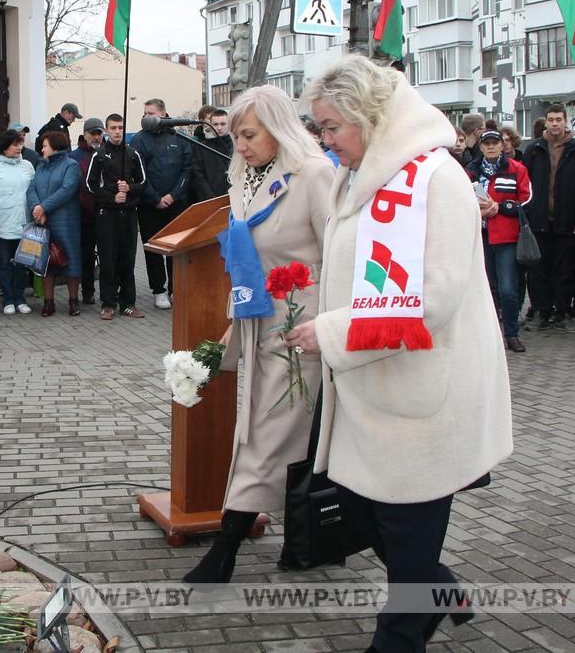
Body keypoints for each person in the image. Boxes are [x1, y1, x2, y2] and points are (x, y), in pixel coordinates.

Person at [284, 56, 513, 651]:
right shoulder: (357, 173)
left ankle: (400, 636)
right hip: (369, 386)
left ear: (370, 116)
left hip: (420, 392)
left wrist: (331, 333)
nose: (324, 140)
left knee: (407, 537)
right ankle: (442, 593)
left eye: (332, 127)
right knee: (366, 518)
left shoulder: (435, 179)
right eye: (320, 127)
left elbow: (433, 296)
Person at [181, 85, 335, 584]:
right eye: (234, 137)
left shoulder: (314, 173)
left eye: (248, 135)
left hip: (301, 328)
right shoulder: (242, 179)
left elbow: (340, 257)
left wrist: (332, 325)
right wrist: (229, 334)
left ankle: (225, 549)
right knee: (283, 437)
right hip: (257, 320)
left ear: (279, 127)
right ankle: (303, 543)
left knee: (267, 436)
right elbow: (246, 263)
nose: (240, 146)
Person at [522, 104, 575, 331]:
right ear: (546, 122)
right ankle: (542, 311)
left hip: (566, 219)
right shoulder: (534, 149)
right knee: (539, 270)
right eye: (551, 119)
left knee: (565, 270)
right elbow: (525, 184)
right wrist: (527, 215)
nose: (555, 123)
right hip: (539, 220)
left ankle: (562, 312)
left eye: (559, 119)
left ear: (565, 121)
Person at [467, 130, 532, 352]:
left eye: (496, 143)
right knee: (487, 289)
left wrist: (501, 207)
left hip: (506, 235)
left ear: (503, 146)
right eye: (487, 144)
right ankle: (490, 334)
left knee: (507, 289)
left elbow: (527, 200)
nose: (492, 147)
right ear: (481, 147)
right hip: (480, 234)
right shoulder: (471, 170)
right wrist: (477, 209)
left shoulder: (516, 168)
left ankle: (511, 334)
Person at [133, 97, 194, 308]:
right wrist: (155, 198)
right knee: (153, 248)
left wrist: (173, 195)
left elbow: (187, 169)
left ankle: (176, 288)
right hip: (150, 204)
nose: (146, 117)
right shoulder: (139, 140)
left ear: (163, 114)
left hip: (176, 203)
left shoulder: (178, 136)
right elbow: (138, 173)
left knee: (175, 248)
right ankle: (158, 289)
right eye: (145, 113)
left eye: (150, 113)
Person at [87, 114, 147, 320]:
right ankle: (108, 303)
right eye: (113, 128)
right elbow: (90, 185)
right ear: (106, 130)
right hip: (107, 215)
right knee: (108, 259)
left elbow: (144, 183)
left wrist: (129, 188)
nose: (117, 131)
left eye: (120, 127)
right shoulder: (100, 155)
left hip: (129, 214)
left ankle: (128, 303)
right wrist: (113, 197)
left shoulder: (132, 154)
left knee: (128, 259)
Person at [0, 129, 35, 315]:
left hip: (25, 225)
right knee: (4, 264)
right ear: (4, 147)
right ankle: (8, 300)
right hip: (2, 227)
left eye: (21, 144)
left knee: (23, 265)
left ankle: (20, 298)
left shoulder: (27, 166)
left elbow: (34, 192)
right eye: (15, 144)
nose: (20, 147)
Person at [28, 130, 82, 316]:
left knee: (71, 260)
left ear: (55, 146)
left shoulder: (70, 165)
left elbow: (67, 189)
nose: (42, 149)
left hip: (66, 221)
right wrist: (37, 208)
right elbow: (32, 188)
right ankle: (48, 302)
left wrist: (44, 208)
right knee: (46, 262)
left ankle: (74, 301)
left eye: (44, 145)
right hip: (43, 222)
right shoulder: (41, 167)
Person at [69, 118, 105, 306]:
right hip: (84, 216)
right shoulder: (75, 157)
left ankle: (110, 293)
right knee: (87, 256)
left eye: (99, 133)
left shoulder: (108, 153)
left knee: (108, 256)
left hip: (107, 213)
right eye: (93, 134)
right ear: (85, 135)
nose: (96, 137)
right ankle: (88, 292)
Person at [191, 108, 233, 201]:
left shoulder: (237, 146)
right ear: (210, 125)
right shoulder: (201, 147)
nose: (219, 128)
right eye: (215, 124)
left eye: (222, 124)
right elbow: (198, 175)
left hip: (234, 198)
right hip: (209, 199)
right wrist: (210, 198)